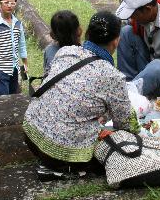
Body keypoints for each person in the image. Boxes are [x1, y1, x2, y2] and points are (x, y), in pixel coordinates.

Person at [22, 11, 132, 180]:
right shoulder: (113, 76)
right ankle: (63, 167)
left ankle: (54, 163)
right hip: (60, 153)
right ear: (116, 40)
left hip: (31, 134)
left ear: (87, 33)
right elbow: (124, 123)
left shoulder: (65, 52)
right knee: (115, 141)